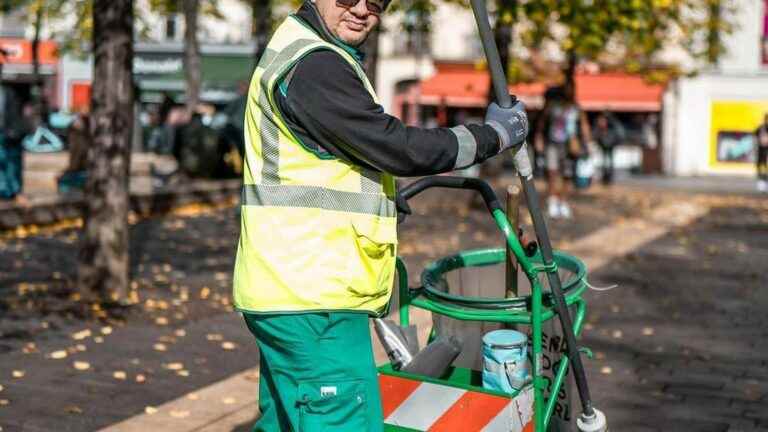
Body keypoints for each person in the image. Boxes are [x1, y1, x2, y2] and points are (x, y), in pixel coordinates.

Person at [232, 0, 528, 429]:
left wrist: (383, 202)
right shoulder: (315, 64)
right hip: (316, 300)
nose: (361, 9)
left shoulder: (303, 49)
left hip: (289, 290)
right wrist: (494, 135)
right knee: (344, 420)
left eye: (376, 1)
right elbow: (398, 147)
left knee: (287, 420)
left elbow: (331, 162)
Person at [534, 86, 588, 219]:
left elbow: (583, 125)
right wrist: (539, 139)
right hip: (553, 143)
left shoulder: (576, 108)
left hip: (570, 145)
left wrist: (586, 143)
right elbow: (541, 125)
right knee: (552, 172)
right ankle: (552, 202)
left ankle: (563, 202)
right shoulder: (552, 107)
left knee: (567, 175)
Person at [592, 111, 624, 184]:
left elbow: (617, 132)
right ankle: (607, 176)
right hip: (606, 143)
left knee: (608, 161)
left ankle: (608, 176)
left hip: (608, 143)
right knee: (606, 161)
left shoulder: (611, 123)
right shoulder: (611, 123)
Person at [755, 113, 768, 192]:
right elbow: (755, 135)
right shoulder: (760, 128)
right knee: (760, 167)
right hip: (761, 151)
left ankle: (765, 183)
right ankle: (761, 183)